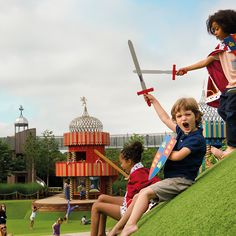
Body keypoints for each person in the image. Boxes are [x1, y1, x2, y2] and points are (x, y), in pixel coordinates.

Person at [114, 94, 206, 236]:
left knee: (144, 193)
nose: (183, 118)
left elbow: (178, 155)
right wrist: (154, 101)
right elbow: (164, 118)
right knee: (139, 196)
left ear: (196, 116)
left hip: (182, 181)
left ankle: (131, 225)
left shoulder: (196, 139)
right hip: (172, 180)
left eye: (188, 114)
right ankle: (118, 228)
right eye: (179, 116)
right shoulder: (182, 132)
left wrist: (164, 150)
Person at [176, 9, 236, 159]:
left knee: (231, 112)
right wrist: (187, 69)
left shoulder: (231, 42)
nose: (215, 33)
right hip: (229, 87)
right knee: (223, 110)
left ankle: (232, 146)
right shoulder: (222, 48)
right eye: (213, 30)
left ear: (227, 25)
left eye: (217, 29)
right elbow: (206, 61)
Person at [90, 141, 160, 236]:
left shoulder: (136, 176)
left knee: (96, 206)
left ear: (129, 161)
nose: (121, 166)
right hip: (135, 202)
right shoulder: (142, 171)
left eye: (122, 163)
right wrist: (131, 177)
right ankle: (101, 233)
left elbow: (129, 205)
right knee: (102, 198)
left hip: (132, 211)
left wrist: (132, 178)